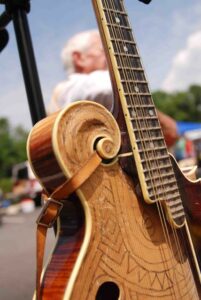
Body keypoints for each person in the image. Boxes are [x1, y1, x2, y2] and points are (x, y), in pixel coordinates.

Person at [49, 29, 178, 147]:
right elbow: (110, 87)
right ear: (79, 58)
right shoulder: (73, 87)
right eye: (104, 49)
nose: (111, 55)